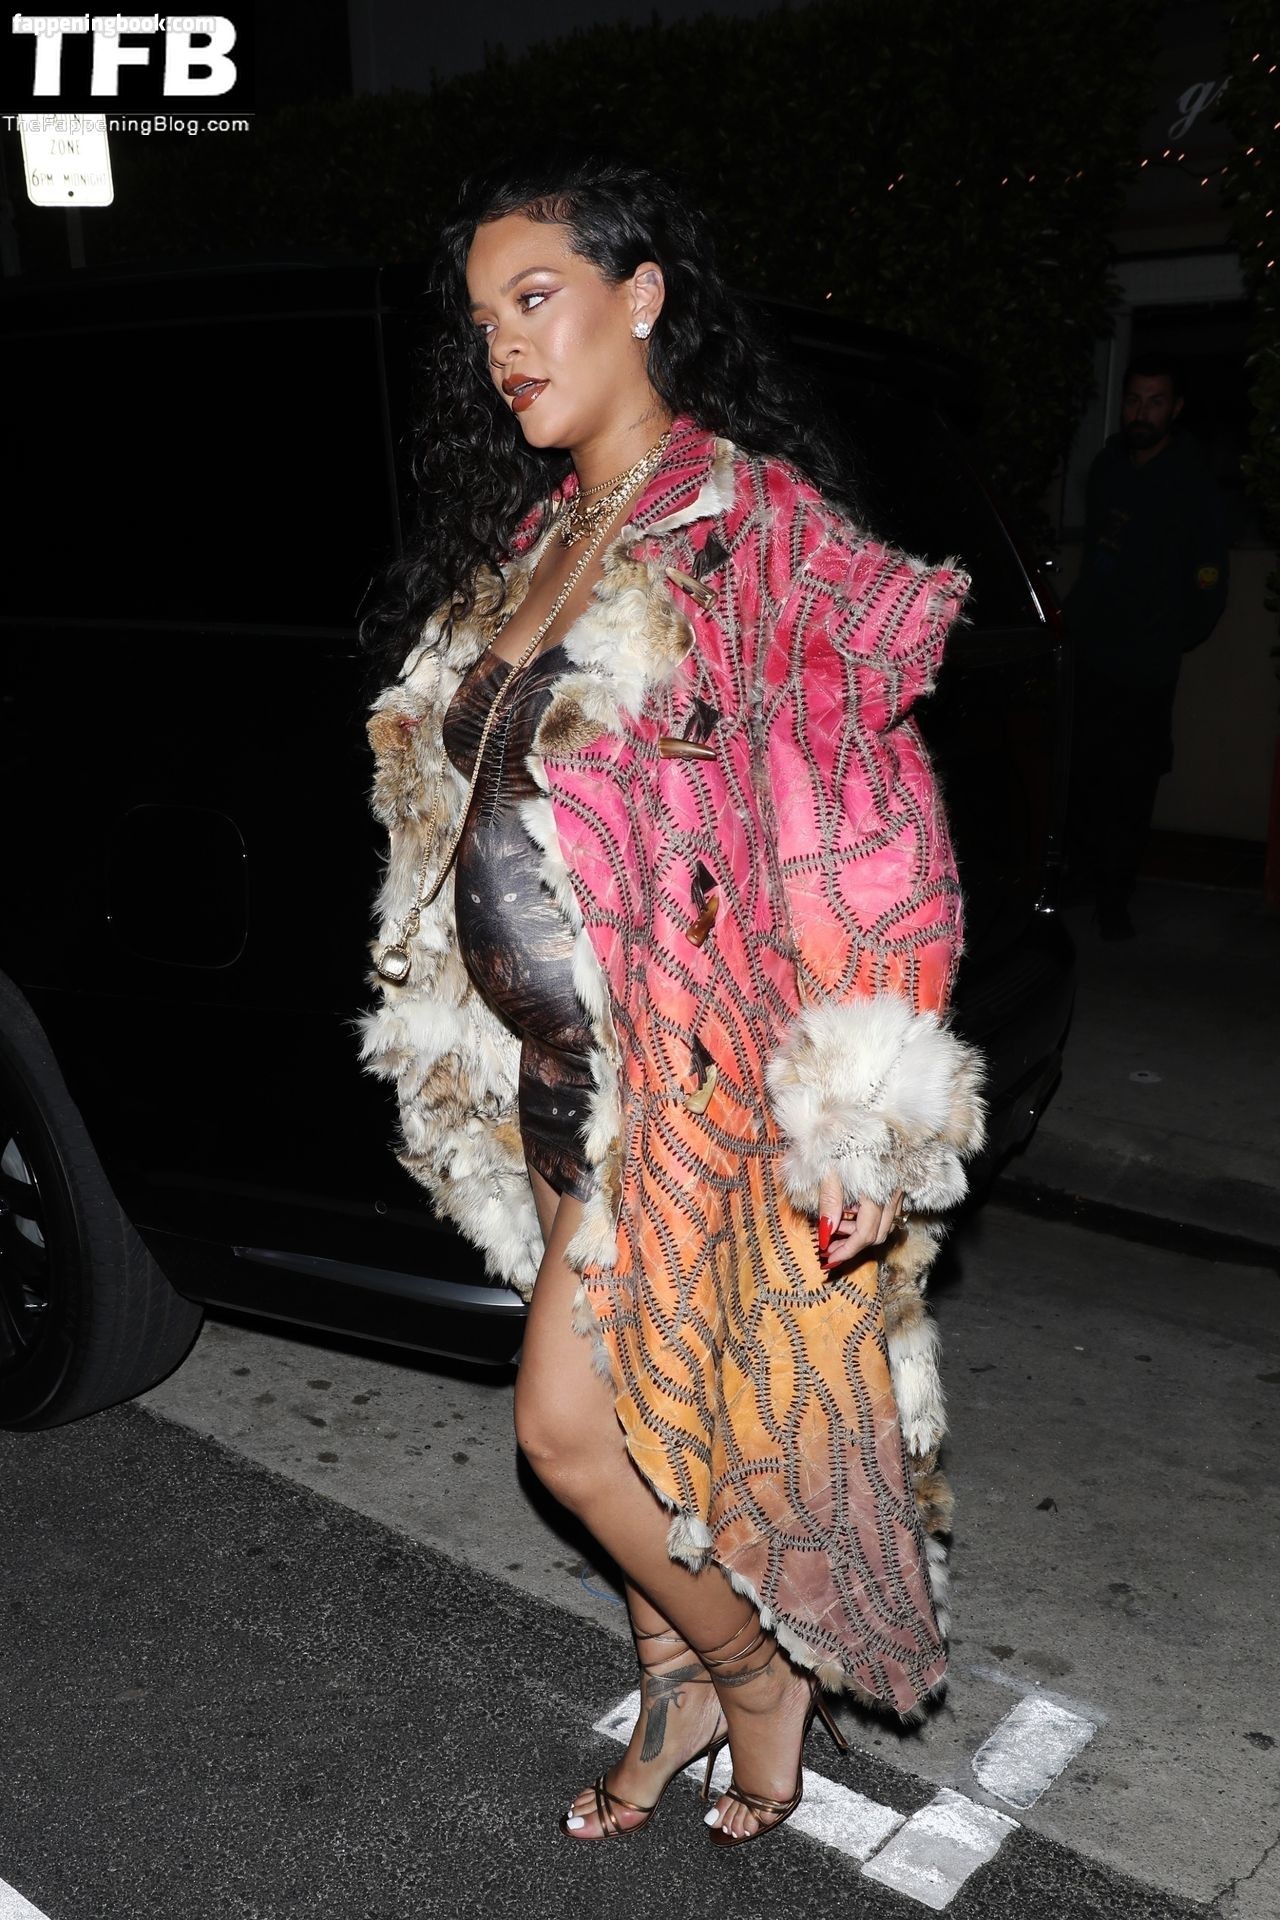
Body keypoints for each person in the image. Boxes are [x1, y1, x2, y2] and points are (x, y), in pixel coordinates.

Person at [356, 152, 985, 1849]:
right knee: (637, 1424)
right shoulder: (539, 538)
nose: (503, 346)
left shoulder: (753, 532)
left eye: (535, 298)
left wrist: (864, 1108)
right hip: (539, 1074)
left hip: (680, 1081)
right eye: (482, 319)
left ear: (641, 297)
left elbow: (869, 835)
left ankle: (751, 1671)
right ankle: (669, 1680)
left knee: (561, 1431)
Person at [1064, 355, 1229, 938]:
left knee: (1132, 783)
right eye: (1134, 400)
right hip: (1093, 653)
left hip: (1147, 666)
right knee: (1083, 773)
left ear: (1175, 409)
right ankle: (1083, 878)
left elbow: (1210, 577)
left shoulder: (1192, 480)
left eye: (1156, 401)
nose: (1142, 412)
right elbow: (1098, 553)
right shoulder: (1108, 465)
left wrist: (1170, 635)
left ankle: (1116, 898)